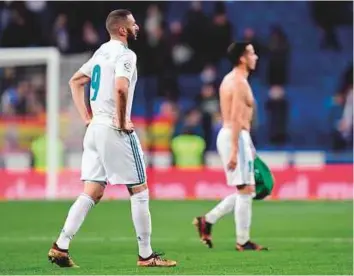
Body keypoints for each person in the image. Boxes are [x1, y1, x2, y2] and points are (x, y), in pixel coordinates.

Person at [48, 9, 177, 268]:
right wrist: (120, 120)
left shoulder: (100, 53)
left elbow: (75, 82)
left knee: (92, 191)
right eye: (133, 23)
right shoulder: (126, 55)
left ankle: (60, 246)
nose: (137, 27)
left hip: (95, 129)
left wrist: (87, 117)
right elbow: (120, 87)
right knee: (139, 190)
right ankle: (146, 255)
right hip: (113, 129)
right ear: (122, 30)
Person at [193, 42, 268, 251]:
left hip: (236, 136)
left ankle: (208, 220)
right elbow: (236, 117)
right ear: (243, 58)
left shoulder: (231, 79)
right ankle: (242, 241)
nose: (256, 57)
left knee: (247, 189)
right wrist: (236, 149)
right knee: (246, 189)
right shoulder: (239, 82)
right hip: (235, 135)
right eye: (252, 53)